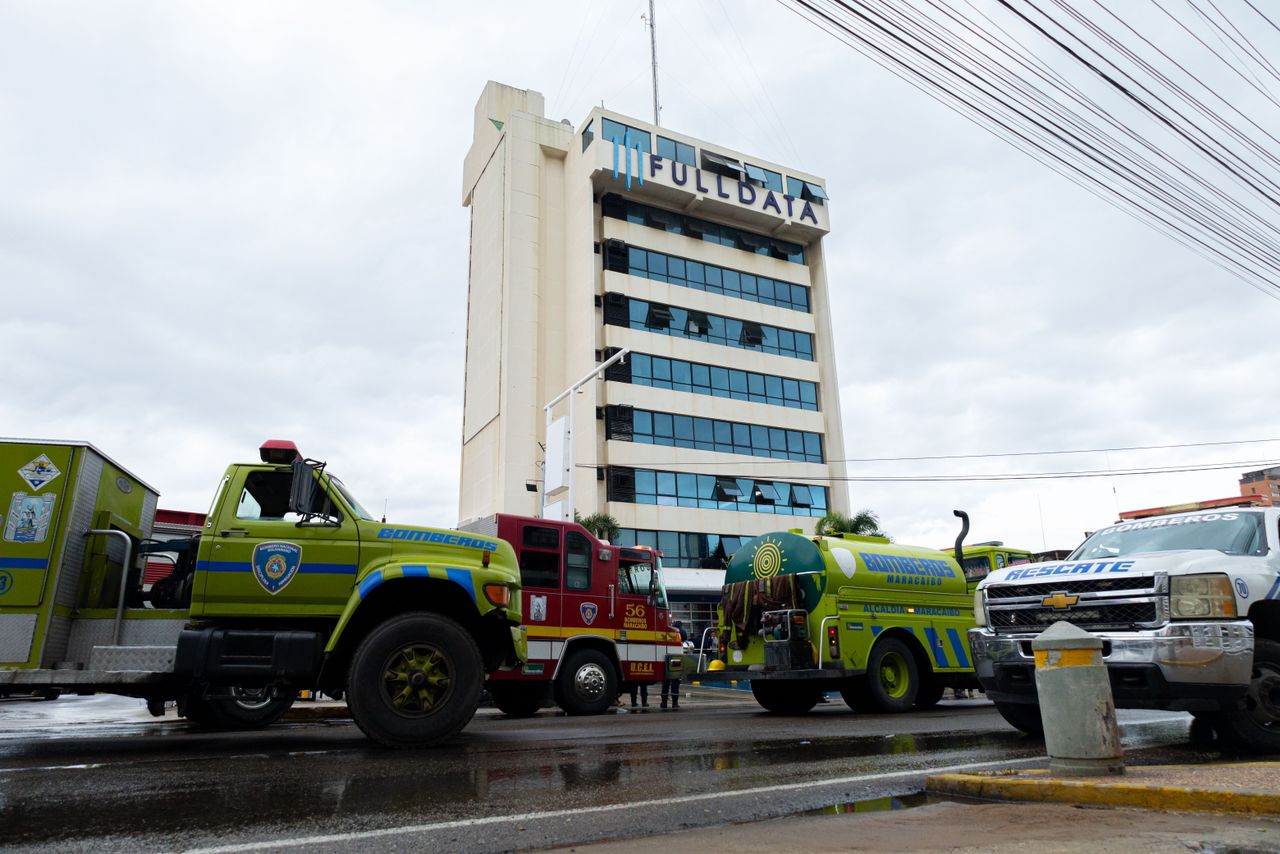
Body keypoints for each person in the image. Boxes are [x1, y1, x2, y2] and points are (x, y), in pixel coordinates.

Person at [663, 620, 689, 710]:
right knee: (675, 681)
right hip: (677, 658)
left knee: (665, 681)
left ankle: (664, 702)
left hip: (666, 657)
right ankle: (675, 703)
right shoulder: (682, 631)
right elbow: (685, 641)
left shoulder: (668, 630)